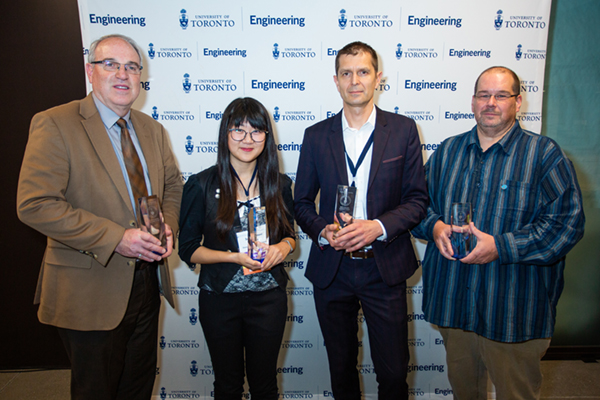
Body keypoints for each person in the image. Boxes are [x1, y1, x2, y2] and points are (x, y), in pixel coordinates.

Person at [16, 34, 183, 400]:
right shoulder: (56, 123)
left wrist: (167, 223)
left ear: (141, 77)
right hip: (91, 288)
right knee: (96, 391)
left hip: (147, 282)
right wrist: (116, 238)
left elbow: (172, 185)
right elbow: (35, 203)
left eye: (132, 67)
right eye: (110, 64)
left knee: (137, 387)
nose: (122, 74)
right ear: (91, 71)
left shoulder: (152, 129)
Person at [412, 66, 585, 400]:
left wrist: (502, 247)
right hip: (455, 305)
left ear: (518, 102)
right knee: (465, 393)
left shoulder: (544, 155)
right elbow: (416, 206)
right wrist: (434, 227)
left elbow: (567, 224)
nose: (490, 103)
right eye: (483, 95)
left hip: (513, 311)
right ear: (473, 102)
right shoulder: (447, 152)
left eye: (501, 95)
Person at [294, 41, 428, 400]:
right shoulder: (316, 136)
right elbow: (302, 202)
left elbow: (417, 200)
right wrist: (322, 230)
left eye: (363, 72)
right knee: (340, 369)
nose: (355, 80)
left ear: (378, 78)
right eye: (347, 73)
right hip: (332, 268)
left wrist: (378, 227)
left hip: (382, 267)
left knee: (394, 372)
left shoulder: (402, 130)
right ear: (336, 81)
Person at [179, 97, 296, 400]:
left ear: (267, 137)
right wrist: (233, 257)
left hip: (268, 299)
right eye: (238, 130)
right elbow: (188, 248)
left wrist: (282, 249)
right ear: (225, 134)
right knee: (227, 386)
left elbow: (289, 235)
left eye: (256, 131)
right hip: (219, 300)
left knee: (265, 386)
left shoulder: (279, 184)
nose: (247, 139)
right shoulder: (201, 184)